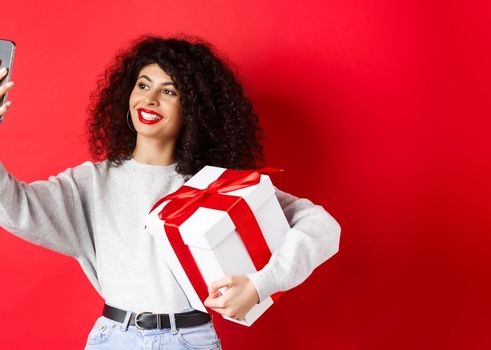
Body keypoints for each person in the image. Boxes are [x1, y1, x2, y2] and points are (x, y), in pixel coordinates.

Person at [0, 34, 341, 349]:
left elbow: (322, 227)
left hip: (190, 339)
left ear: (192, 108)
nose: (149, 99)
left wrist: (260, 284)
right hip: (113, 339)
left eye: (169, 91)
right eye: (143, 85)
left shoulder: (216, 186)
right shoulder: (91, 183)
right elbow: (14, 208)